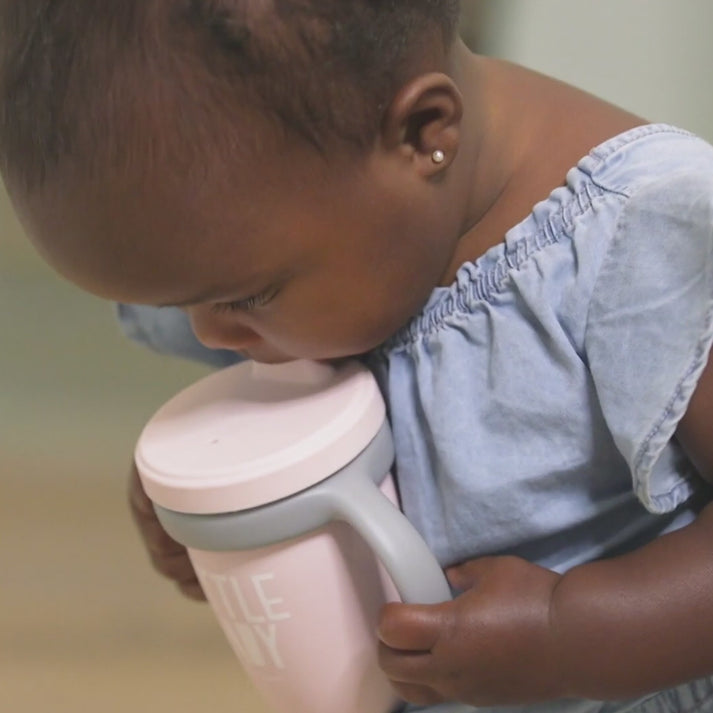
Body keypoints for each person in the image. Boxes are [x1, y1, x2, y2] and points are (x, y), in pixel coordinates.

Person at [2, 1, 713, 711]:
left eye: (246, 297)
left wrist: (570, 636)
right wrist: (232, 514)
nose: (210, 336)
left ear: (422, 134)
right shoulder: (317, 231)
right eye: (172, 303)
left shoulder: (643, 240)